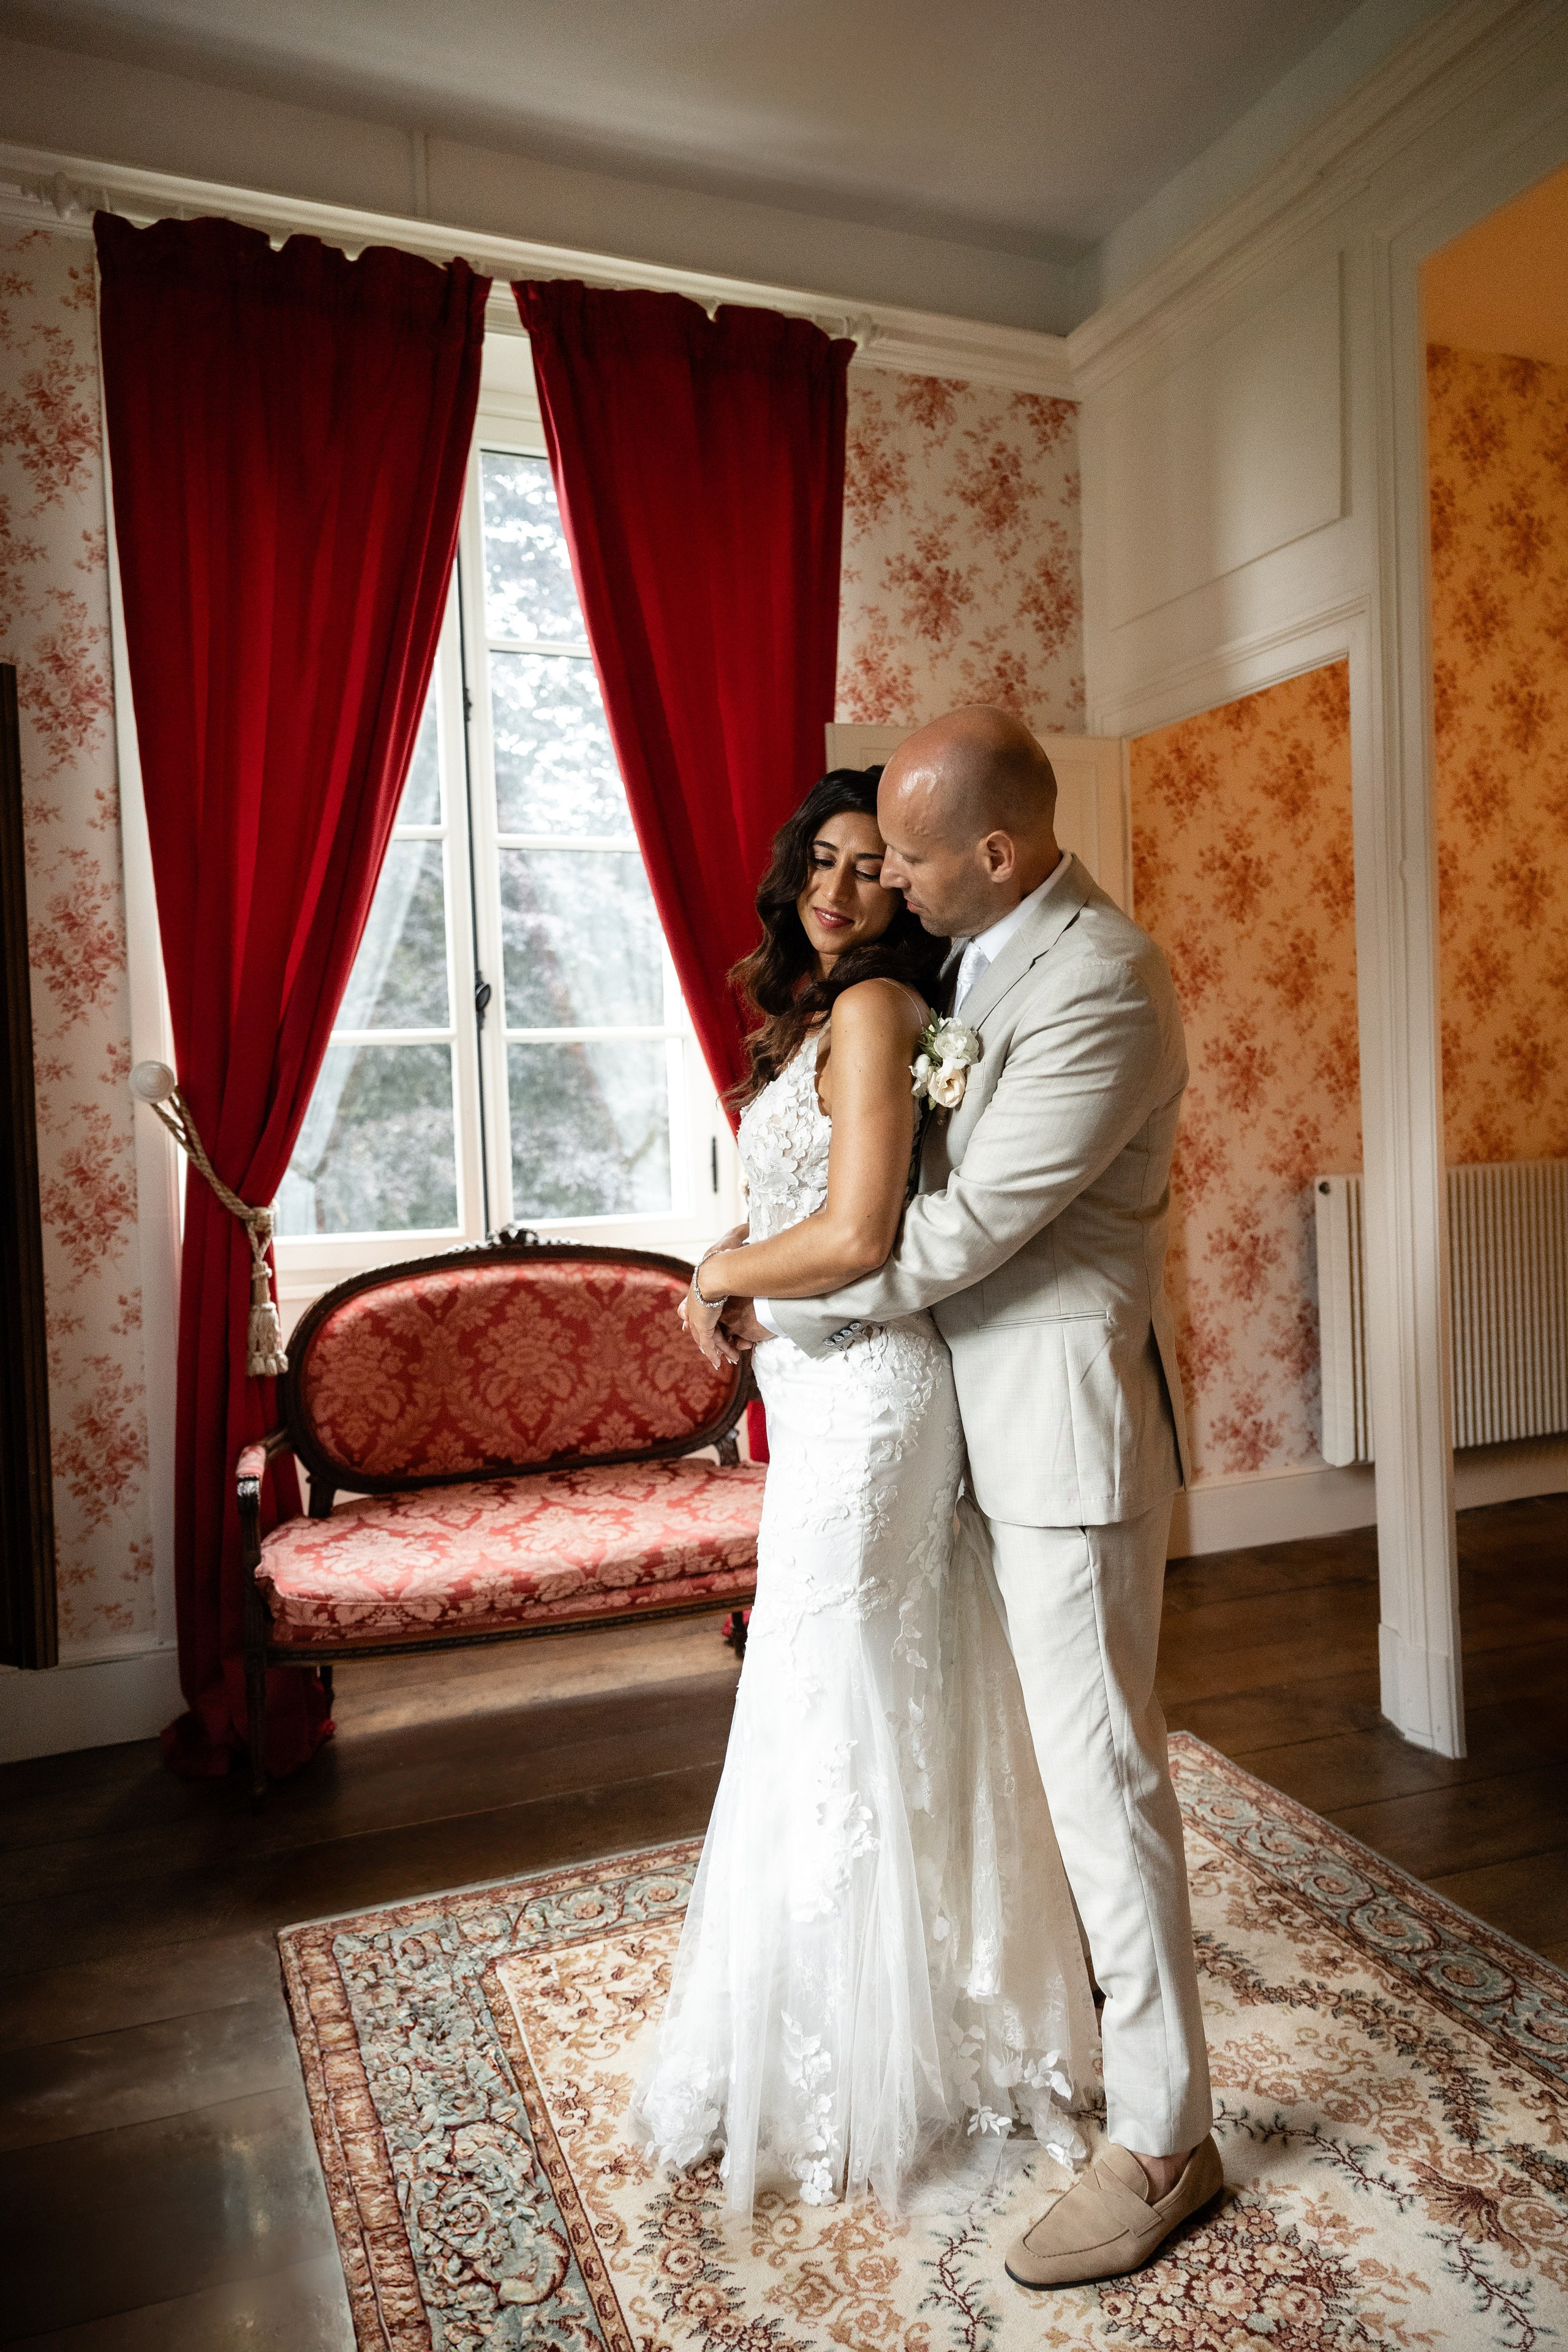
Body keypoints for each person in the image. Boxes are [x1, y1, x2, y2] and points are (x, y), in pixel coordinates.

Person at [703, 708, 1222, 2289]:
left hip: (1055, 1436)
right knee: (974, 1743)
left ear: (993, 852)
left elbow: (965, 1223)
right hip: (941, 1422)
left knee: (1102, 1778)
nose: (886, 884)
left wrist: (759, 1294)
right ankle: (1019, 2009)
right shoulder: (979, 962)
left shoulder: (1105, 981)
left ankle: (1168, 2137)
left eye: (911, 856)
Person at [629, 765, 1098, 2216]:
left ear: (911, 886)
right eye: (820, 862)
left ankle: (860, 2050)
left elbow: (851, 1233)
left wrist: (716, 1277)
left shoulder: (885, 1010)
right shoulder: (825, 1017)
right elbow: (809, 1211)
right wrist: (747, 1258)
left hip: (871, 1400)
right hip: (822, 1395)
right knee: (841, 1688)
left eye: (869, 866)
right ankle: (866, 2010)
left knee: (830, 1690)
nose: (837, 889)